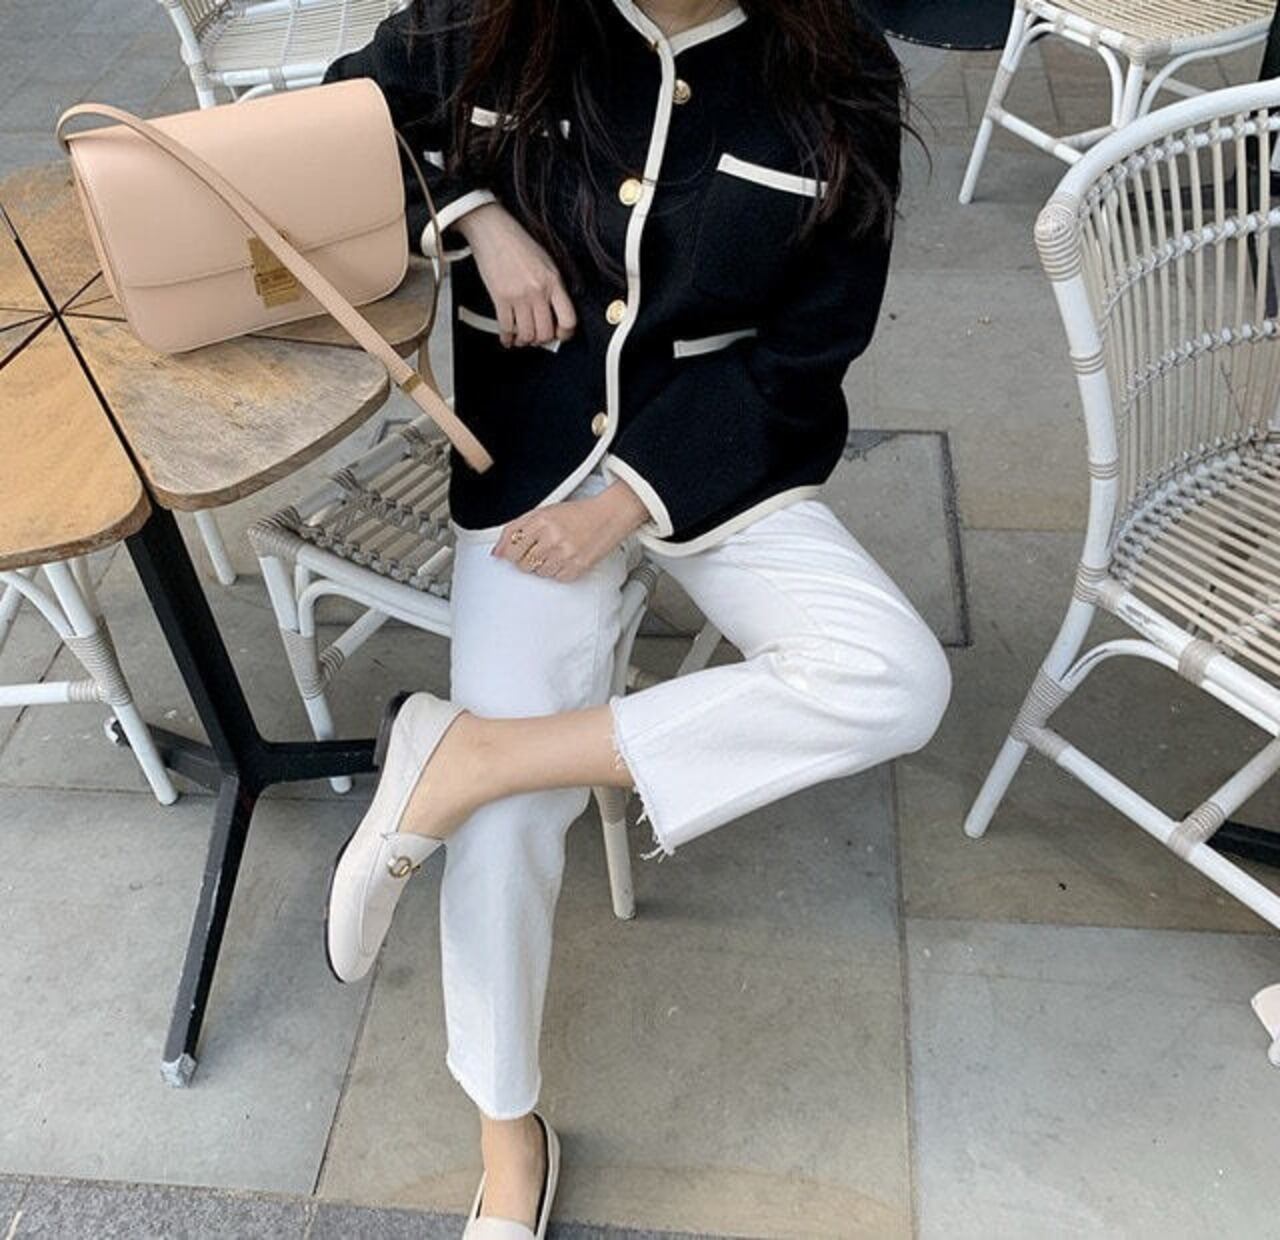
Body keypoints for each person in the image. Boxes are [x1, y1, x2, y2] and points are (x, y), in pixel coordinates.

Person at [322, 3, 951, 1234]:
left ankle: (472, 752)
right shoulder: (489, 19)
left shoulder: (835, 65)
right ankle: (507, 1133)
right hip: (528, 455)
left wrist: (626, 502)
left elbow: (809, 349)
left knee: (892, 679)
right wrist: (473, 213)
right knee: (505, 828)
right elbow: (343, 121)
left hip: (714, 454)